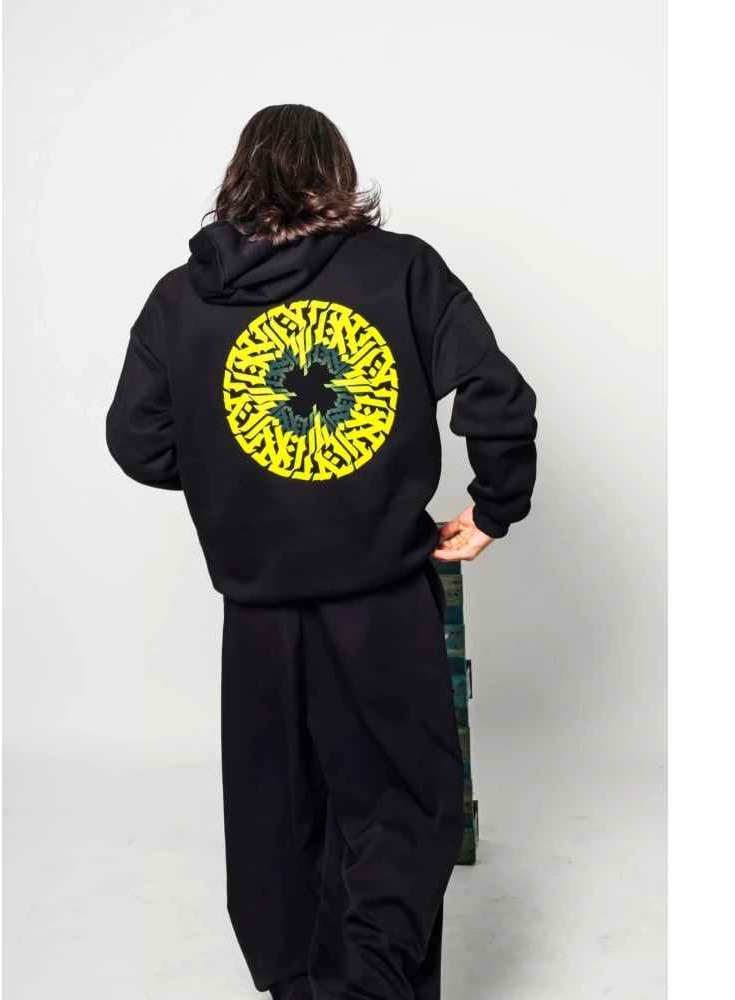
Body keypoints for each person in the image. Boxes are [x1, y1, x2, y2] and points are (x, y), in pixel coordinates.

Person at [107, 104, 537, 1000]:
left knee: (279, 820)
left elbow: (138, 441)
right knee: (403, 803)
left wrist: (241, 485)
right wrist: (495, 508)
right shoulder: (402, 270)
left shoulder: (181, 299)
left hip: (257, 613)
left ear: (239, 175)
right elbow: (496, 394)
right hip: (382, 599)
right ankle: (372, 984)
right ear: (337, 173)